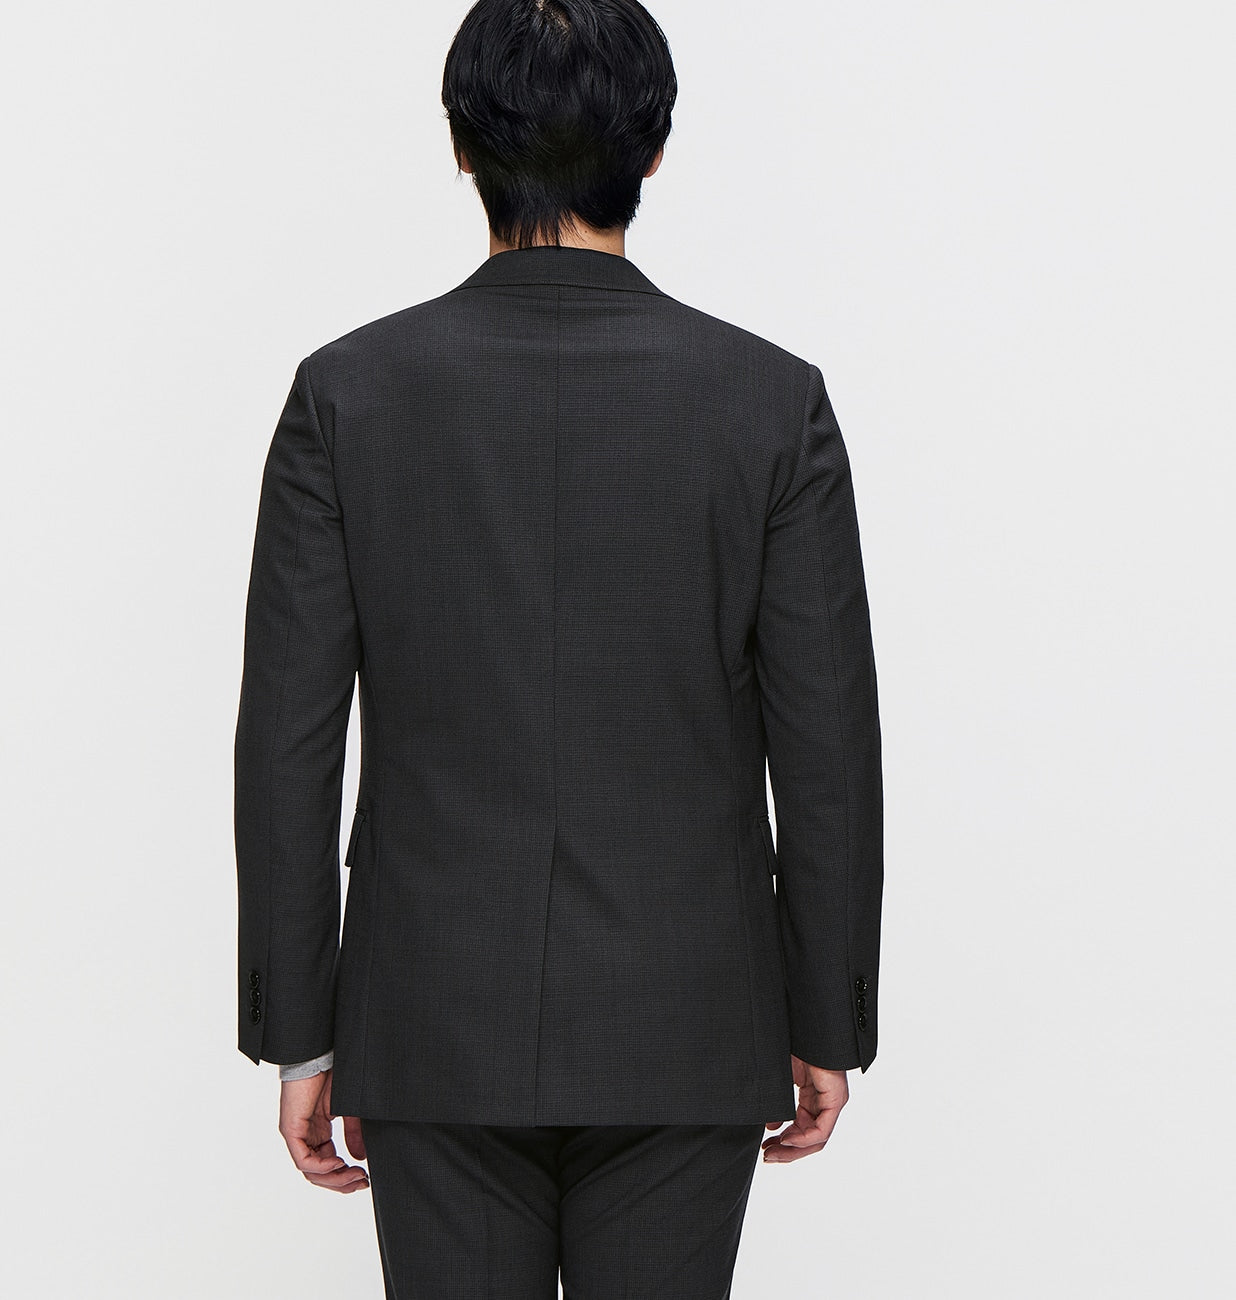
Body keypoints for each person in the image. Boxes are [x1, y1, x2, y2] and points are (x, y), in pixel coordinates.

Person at [233, 0, 884, 1293]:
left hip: (433, 1018)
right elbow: (827, 748)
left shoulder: (347, 394)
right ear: (654, 149)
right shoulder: (770, 403)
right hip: (688, 1016)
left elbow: (288, 742)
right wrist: (826, 1014)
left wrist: (304, 1031)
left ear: (462, 146)